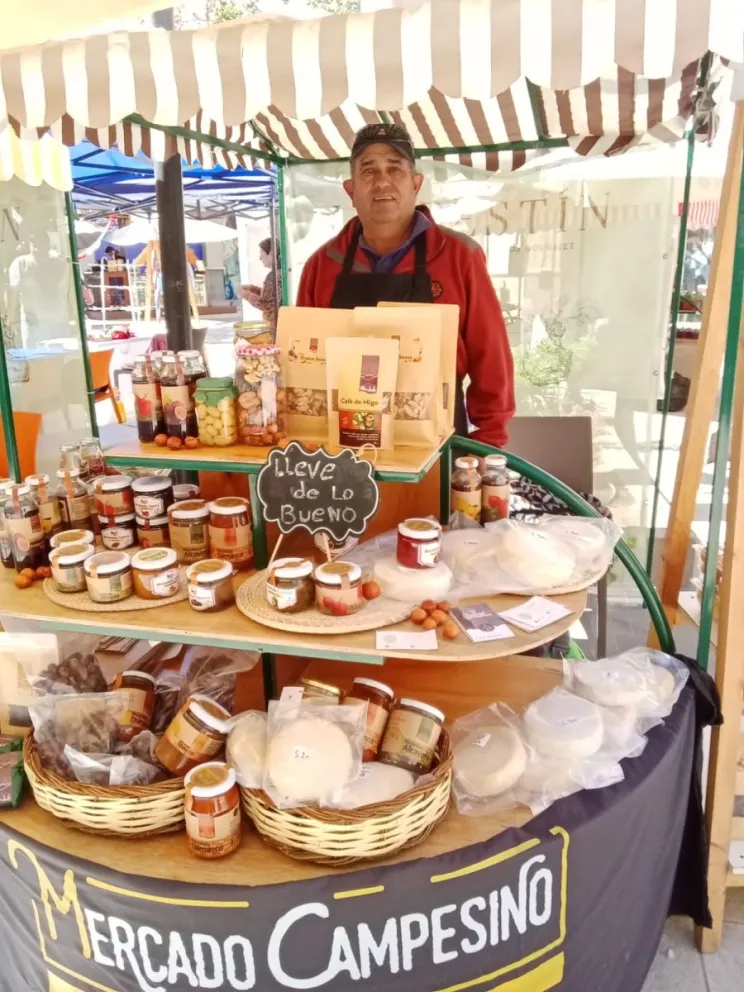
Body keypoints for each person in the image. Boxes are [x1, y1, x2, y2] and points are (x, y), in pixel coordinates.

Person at [296, 122, 515, 446]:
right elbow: (304, 362)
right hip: (342, 439)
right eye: (368, 171)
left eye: (395, 169)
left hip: (437, 437)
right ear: (351, 190)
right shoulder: (321, 265)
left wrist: (487, 442)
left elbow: (491, 356)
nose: (382, 181)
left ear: (415, 184)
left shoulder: (459, 256)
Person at [240, 238, 281, 332]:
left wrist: (246, 295)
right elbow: (270, 295)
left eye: (262, 252)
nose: (260, 257)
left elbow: (265, 304)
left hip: (275, 327)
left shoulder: (275, 275)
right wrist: (252, 289)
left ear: (271, 253)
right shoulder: (278, 273)